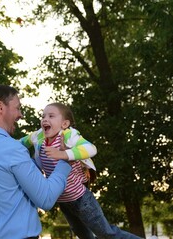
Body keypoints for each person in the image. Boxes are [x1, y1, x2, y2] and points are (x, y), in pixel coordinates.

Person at [20, 102, 141, 239]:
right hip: (63, 200)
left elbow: (91, 149)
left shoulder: (69, 136)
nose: (45, 119)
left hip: (82, 199)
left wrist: (64, 154)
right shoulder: (39, 136)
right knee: (83, 235)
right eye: (43, 116)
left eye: (51, 116)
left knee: (106, 233)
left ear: (64, 124)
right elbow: (20, 143)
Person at [0, 84, 72, 239]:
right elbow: (46, 198)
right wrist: (65, 158)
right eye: (17, 108)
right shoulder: (11, 149)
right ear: (0, 107)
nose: (20, 115)